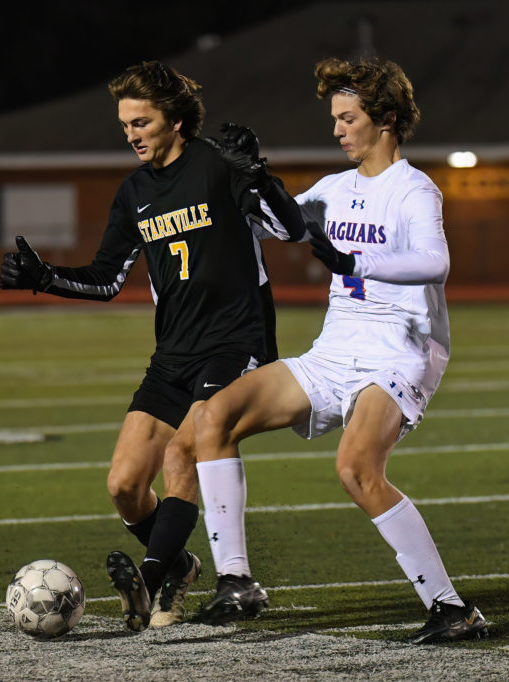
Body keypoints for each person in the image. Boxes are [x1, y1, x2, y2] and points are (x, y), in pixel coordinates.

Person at [189, 56, 489, 645]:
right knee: (212, 417)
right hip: (334, 353)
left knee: (356, 468)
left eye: (348, 117)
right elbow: (278, 225)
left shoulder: (414, 189)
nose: (337, 129)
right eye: (336, 118)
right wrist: (252, 177)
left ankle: (451, 609)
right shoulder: (332, 189)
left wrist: (354, 261)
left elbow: (436, 261)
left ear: (387, 120)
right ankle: (236, 582)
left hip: (400, 353)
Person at [0, 61, 305, 631]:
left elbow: (291, 230)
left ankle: (156, 578)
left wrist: (260, 176)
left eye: (142, 122)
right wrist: (44, 277)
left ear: (178, 121)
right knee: (123, 485)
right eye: (125, 125)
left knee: (180, 454)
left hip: (234, 344)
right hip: (173, 354)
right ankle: (181, 564)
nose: (132, 134)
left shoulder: (217, 164)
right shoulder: (134, 191)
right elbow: (107, 278)